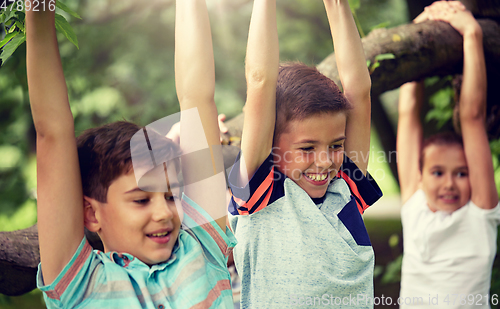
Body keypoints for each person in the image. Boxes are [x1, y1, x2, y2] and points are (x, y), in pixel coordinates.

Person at [28, 0, 236, 308]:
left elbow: (197, 96)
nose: (165, 213)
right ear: (91, 213)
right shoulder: (81, 286)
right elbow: (52, 133)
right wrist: (37, 8)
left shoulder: (203, 246)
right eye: (141, 199)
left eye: (171, 196)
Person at [227, 0, 382, 307]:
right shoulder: (262, 197)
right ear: (270, 147)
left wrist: (336, 5)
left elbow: (359, 93)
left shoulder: (344, 190)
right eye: (307, 148)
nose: (325, 161)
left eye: (336, 146)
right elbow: (260, 81)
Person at [397, 2, 499, 308]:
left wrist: (472, 34)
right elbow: (407, 112)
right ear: (420, 176)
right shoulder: (414, 203)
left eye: (462, 173)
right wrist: (414, 34)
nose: (449, 184)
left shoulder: (482, 214)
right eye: (438, 172)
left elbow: (472, 117)